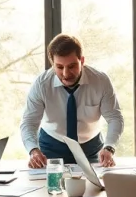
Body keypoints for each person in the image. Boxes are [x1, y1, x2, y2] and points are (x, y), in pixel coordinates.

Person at [20, 34, 124, 168]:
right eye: (59, 67)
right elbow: (29, 122)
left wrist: (109, 148)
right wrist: (33, 151)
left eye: (72, 66)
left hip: (91, 148)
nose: (66, 74)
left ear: (82, 60)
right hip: (51, 148)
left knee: (95, 181)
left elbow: (115, 118)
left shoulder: (100, 81)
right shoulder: (41, 84)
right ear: (52, 64)